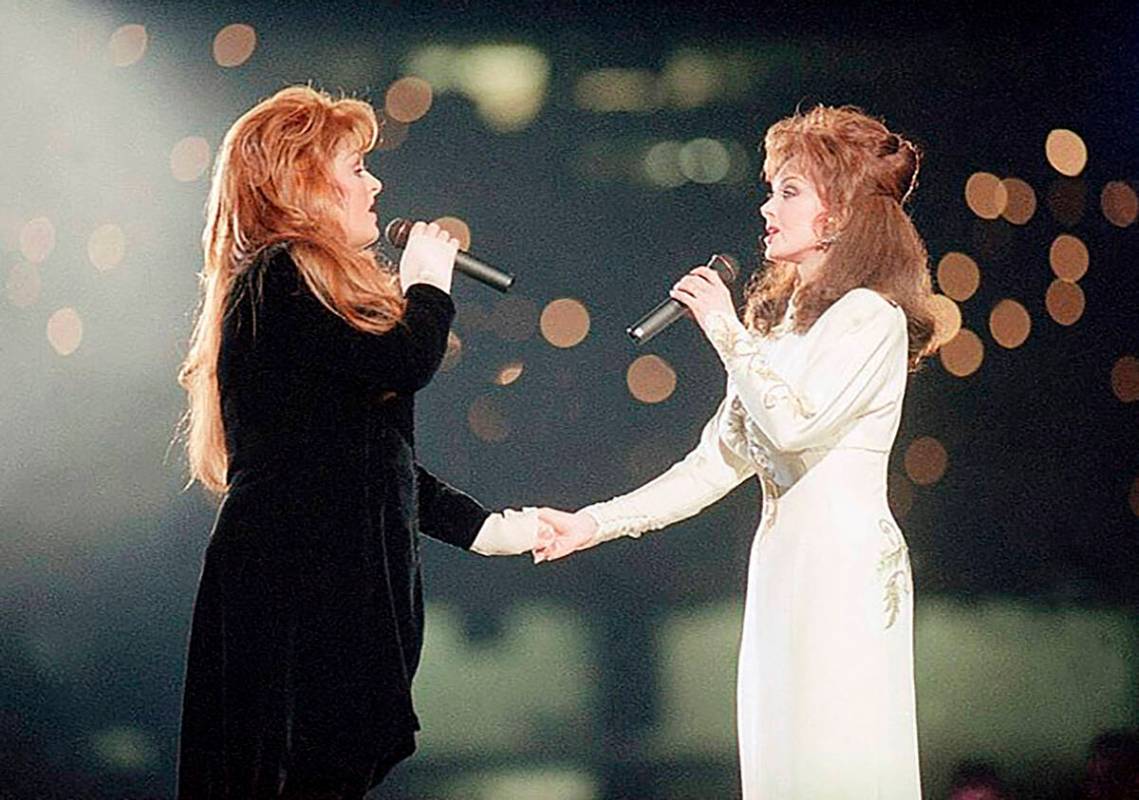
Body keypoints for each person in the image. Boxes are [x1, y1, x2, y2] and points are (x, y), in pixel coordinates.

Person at [535, 105, 938, 798]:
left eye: (788, 191)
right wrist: (593, 523)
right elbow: (712, 464)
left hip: (840, 575)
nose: (766, 206)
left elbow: (789, 427)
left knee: (836, 760)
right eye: (772, 188)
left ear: (839, 214)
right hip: (782, 571)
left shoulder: (870, 317)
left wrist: (724, 328)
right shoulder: (780, 331)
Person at [175, 86, 541, 800]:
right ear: (303, 181)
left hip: (322, 589)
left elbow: (367, 451)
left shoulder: (300, 289)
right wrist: (428, 290)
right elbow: (404, 363)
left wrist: (485, 530)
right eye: (356, 167)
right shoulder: (278, 278)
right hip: (292, 593)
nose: (375, 184)